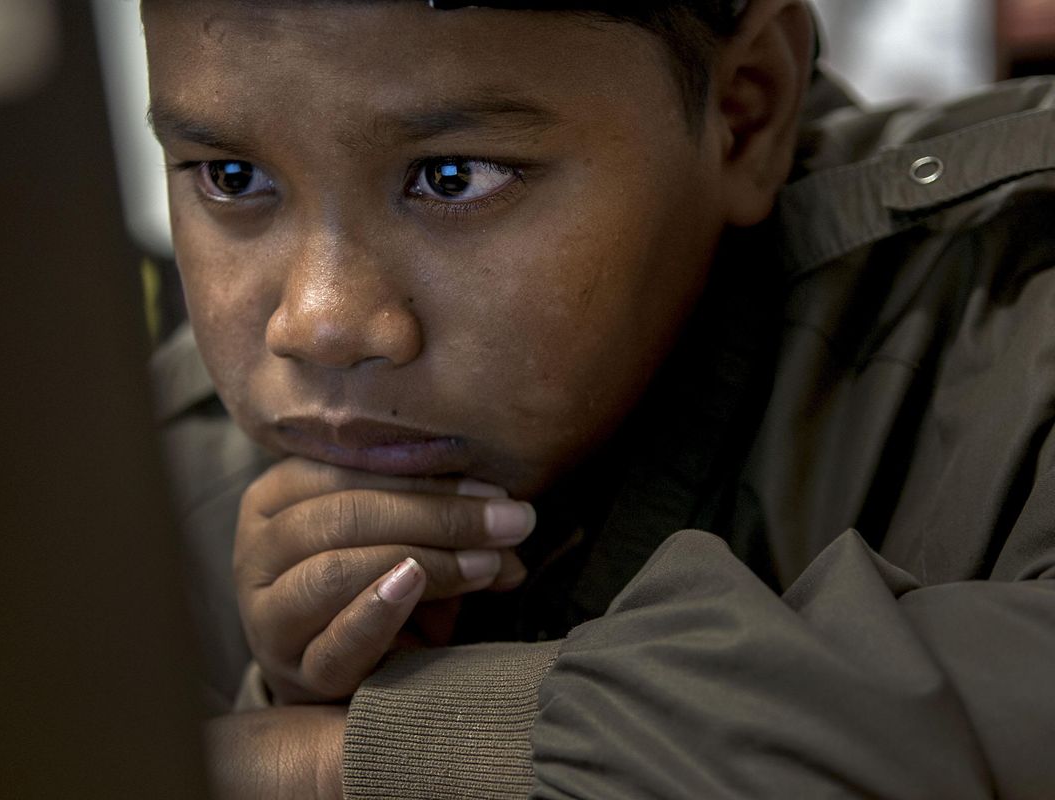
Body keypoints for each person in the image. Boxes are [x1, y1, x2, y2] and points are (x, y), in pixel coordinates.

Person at [144, 0, 1055, 796]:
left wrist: (350, 758)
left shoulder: (1020, 320)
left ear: (744, 111)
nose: (319, 324)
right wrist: (292, 699)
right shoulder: (152, 481)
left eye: (454, 176)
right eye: (231, 179)